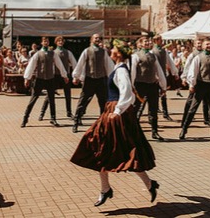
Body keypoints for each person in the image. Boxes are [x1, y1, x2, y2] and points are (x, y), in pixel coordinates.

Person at [70, 40, 159, 207]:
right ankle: (107, 188)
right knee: (101, 147)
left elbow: (128, 94)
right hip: (112, 111)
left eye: (114, 49)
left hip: (116, 113)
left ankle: (146, 184)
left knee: (123, 151)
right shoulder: (118, 68)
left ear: (118, 53)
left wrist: (117, 112)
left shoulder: (121, 71)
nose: (111, 50)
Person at [21, 36, 68, 128]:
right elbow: (31, 66)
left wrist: (64, 75)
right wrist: (27, 78)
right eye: (44, 41)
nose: (46, 42)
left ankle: (53, 118)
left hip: (50, 79)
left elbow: (60, 65)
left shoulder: (53, 53)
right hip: (40, 79)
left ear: (48, 43)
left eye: (47, 41)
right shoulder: (38, 54)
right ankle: (25, 118)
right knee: (33, 99)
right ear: (41, 43)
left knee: (52, 99)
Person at [72, 33, 115, 133]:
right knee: (82, 101)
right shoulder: (87, 51)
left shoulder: (103, 52)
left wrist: (112, 77)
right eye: (96, 38)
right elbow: (80, 64)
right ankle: (76, 122)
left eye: (99, 38)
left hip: (101, 80)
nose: (98, 39)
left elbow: (109, 65)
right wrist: (76, 76)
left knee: (103, 103)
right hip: (89, 79)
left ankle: (103, 124)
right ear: (91, 40)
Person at [131, 35, 167, 140]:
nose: (148, 43)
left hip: (152, 85)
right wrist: (131, 86)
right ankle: (134, 131)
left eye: (149, 41)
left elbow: (159, 71)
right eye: (145, 42)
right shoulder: (135, 56)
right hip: (140, 85)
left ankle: (154, 132)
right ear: (140, 44)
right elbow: (132, 71)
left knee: (153, 109)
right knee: (136, 108)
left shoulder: (153, 56)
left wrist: (163, 85)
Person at [40, 36, 78, 120]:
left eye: (62, 41)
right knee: (50, 95)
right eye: (59, 41)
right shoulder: (53, 52)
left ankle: (69, 112)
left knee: (68, 94)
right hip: (55, 76)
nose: (60, 42)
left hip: (65, 76)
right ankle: (42, 112)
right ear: (56, 42)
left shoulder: (68, 52)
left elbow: (74, 63)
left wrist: (76, 75)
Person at [151, 35, 178, 121]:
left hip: (162, 74)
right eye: (160, 40)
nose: (162, 41)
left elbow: (169, 62)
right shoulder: (152, 52)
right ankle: (151, 113)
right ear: (156, 41)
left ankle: (165, 113)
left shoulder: (164, 51)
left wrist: (175, 72)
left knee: (163, 93)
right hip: (154, 76)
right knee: (153, 95)